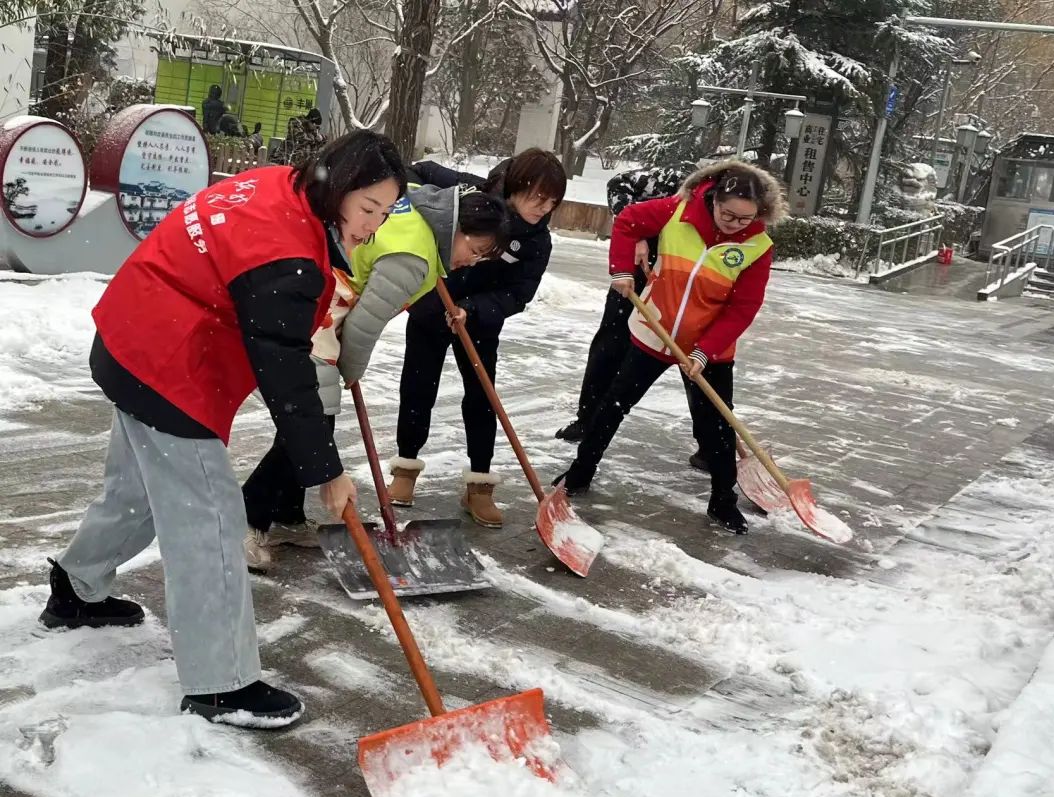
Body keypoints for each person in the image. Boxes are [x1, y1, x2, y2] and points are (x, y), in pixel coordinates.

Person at [37, 130, 407, 727]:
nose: (373, 226)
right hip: (168, 366)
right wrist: (325, 471)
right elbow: (286, 373)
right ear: (336, 187)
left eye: (386, 213)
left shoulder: (278, 186)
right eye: (368, 209)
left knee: (136, 493)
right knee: (211, 522)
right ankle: (221, 683)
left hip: (133, 335)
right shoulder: (284, 249)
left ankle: (76, 588)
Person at [241, 185, 510, 570]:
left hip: (316, 286)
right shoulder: (414, 258)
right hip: (321, 307)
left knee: (311, 425)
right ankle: (247, 520)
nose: (473, 261)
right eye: (476, 250)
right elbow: (365, 325)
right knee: (312, 425)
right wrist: (347, 371)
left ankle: (287, 513)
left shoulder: (420, 211)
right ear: (458, 229)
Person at [553, 160, 786, 535]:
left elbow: (742, 308)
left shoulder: (757, 246)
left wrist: (704, 350)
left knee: (718, 427)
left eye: (745, 218)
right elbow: (629, 220)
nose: (735, 224)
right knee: (613, 404)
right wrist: (621, 269)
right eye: (728, 214)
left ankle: (723, 501)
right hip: (655, 329)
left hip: (707, 347)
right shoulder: (677, 212)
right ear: (713, 198)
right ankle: (580, 472)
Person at [384, 149, 567, 528]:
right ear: (517, 186)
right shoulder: (468, 195)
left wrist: (474, 308)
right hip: (431, 308)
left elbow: (519, 294)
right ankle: (405, 470)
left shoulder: (537, 242)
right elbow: (416, 171)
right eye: (538, 197)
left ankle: (479, 485)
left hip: (480, 324)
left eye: (552, 202)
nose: (543, 208)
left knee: (483, 398)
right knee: (417, 389)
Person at [556, 160, 713, 472]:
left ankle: (711, 444)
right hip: (637, 273)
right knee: (611, 345)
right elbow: (618, 184)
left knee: (695, 360)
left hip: (687, 285)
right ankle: (588, 418)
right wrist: (639, 235)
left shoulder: (740, 219)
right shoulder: (676, 179)